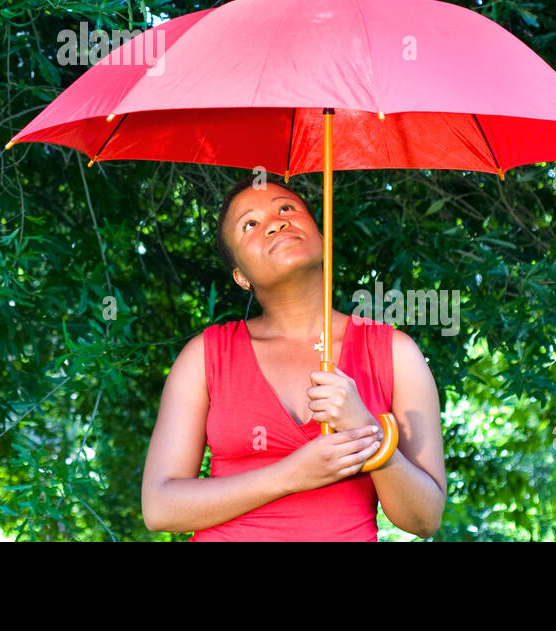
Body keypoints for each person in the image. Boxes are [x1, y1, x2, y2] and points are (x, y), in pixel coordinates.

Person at [140, 179, 446, 540]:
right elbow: (159, 508)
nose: (276, 222)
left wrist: (369, 435)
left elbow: (424, 520)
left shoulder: (395, 353)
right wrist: (290, 476)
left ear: (320, 235)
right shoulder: (206, 356)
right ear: (241, 276)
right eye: (249, 224)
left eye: (287, 208)